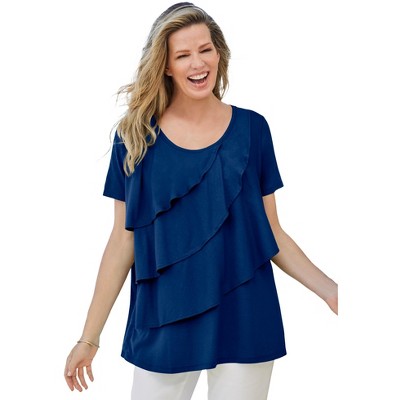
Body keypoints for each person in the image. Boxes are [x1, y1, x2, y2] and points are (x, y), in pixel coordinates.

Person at [64, 2, 338, 399]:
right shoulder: (135, 138)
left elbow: (271, 232)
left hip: (245, 315)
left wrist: (332, 290)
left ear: (219, 54)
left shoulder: (253, 129)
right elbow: (122, 242)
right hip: (164, 320)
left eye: (205, 49)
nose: (198, 63)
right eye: (183, 55)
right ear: (165, 66)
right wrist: (89, 339)